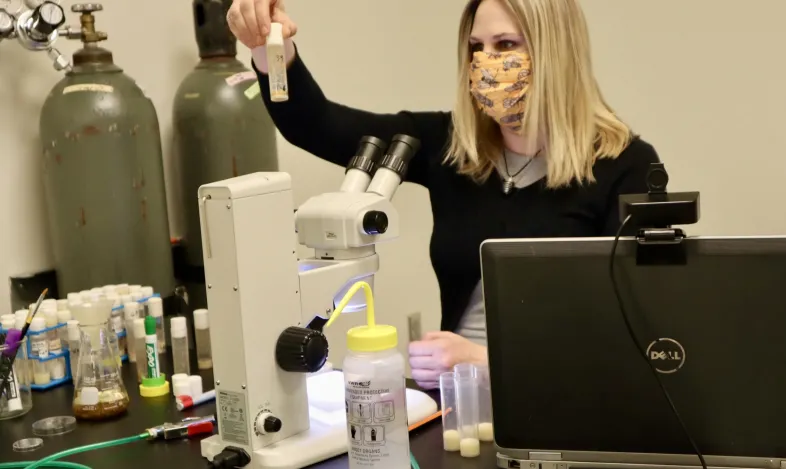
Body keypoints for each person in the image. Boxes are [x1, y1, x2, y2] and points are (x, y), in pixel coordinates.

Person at [227, 0, 660, 389]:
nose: (487, 62)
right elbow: (317, 125)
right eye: (476, 47)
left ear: (556, 53)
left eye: (506, 44)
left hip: (570, 403)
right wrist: (269, 49)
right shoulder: (453, 146)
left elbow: (637, 336)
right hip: (459, 402)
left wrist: (486, 361)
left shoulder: (626, 166)